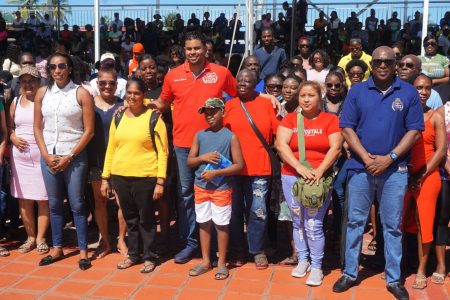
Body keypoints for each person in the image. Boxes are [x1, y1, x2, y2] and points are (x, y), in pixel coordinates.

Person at [333, 46, 424, 300]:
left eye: (388, 61)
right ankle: (350, 273)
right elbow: (347, 128)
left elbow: (414, 131)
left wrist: (390, 158)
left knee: (392, 226)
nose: (382, 65)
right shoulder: (358, 91)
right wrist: (365, 157)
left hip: (395, 170)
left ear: (395, 63)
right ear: (370, 64)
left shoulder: (407, 92)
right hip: (360, 169)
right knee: (355, 222)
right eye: (378, 61)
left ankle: (394, 279)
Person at [148, 31, 237, 264]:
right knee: (187, 196)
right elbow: (163, 104)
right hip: (184, 146)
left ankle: (221, 246)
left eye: (197, 48)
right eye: (189, 49)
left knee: (219, 193)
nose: (193, 52)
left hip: (216, 146)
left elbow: (238, 97)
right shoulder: (173, 76)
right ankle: (191, 243)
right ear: (183, 51)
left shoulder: (221, 72)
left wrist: (267, 99)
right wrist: (133, 104)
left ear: (206, 49)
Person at [276, 80, 342, 286]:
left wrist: (319, 170)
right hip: (291, 177)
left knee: (313, 224)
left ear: (320, 96)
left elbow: (335, 148)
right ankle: (303, 260)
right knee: (297, 221)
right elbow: (281, 145)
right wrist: (299, 167)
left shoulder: (330, 120)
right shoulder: (289, 120)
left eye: (310, 95)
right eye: (302, 95)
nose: (305, 99)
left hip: (318, 180)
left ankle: (316, 266)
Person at [34, 52, 94, 270]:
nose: (57, 70)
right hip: (49, 155)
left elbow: (89, 131)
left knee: (77, 205)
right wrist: (46, 155)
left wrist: (69, 156)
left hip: (74, 156)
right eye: (52, 67)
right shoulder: (42, 93)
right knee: (54, 204)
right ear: (48, 70)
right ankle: (57, 247)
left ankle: (84, 251)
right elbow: (37, 127)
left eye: (61, 66)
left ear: (70, 68)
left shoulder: (81, 93)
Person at [101, 77, 168, 273]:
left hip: (146, 177)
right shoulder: (118, 117)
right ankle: (133, 255)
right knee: (130, 219)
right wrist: (106, 178)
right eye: (129, 93)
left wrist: (160, 181)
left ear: (144, 95)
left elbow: (163, 151)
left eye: (137, 93)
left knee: (146, 219)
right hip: (120, 176)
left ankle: (149, 256)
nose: (132, 96)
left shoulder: (154, 118)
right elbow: (111, 148)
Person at [224, 69, 279, 269]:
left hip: (259, 168)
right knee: (234, 212)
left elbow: (278, 133)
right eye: (239, 80)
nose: (243, 83)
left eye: (248, 81)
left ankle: (257, 250)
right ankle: (238, 250)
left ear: (256, 84)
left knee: (258, 211)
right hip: (232, 170)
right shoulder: (228, 105)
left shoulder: (267, 104)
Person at [187, 98, 243, 280]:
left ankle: (221, 263)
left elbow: (239, 165)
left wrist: (216, 173)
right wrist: (203, 158)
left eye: (213, 111)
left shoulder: (230, 136)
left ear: (222, 112)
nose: (209, 116)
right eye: (206, 113)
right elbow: (190, 161)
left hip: (221, 188)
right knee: (203, 223)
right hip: (201, 187)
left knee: (221, 224)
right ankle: (205, 260)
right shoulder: (199, 135)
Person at [403, 74, 446, 289]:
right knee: (400, 221)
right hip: (402, 174)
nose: (423, 91)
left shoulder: (436, 116)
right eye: (419, 87)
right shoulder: (402, 113)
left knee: (425, 223)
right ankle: (400, 265)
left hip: (428, 175)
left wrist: (421, 174)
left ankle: (422, 269)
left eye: (427, 88)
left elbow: (441, 150)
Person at [87, 66, 127, 258]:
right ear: (97, 83)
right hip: (96, 160)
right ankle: (106, 241)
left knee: (123, 203)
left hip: (119, 161)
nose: (107, 86)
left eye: (111, 83)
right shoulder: (89, 104)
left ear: (117, 84)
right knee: (99, 201)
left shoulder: (124, 105)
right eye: (103, 82)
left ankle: (121, 240)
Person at [9, 66, 49, 255]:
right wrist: (13, 137)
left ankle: (41, 238)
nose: (28, 84)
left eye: (32, 80)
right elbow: (8, 127)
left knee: (42, 198)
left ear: (39, 82)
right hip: (20, 160)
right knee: (24, 198)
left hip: (41, 155)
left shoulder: (45, 100)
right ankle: (30, 237)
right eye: (24, 81)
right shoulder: (15, 102)